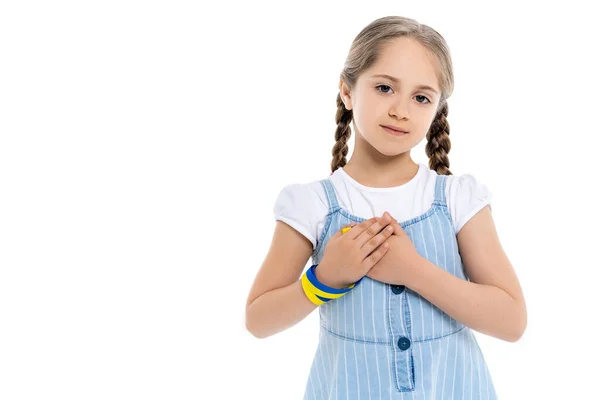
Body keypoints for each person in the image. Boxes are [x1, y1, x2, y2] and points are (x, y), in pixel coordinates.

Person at [245, 15, 527, 399]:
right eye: (384, 88)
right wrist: (324, 279)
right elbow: (258, 320)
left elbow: (511, 321)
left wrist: (413, 271)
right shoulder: (311, 205)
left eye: (421, 97)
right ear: (347, 90)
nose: (401, 110)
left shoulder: (459, 199)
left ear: (437, 108)